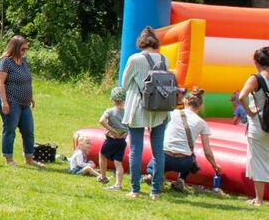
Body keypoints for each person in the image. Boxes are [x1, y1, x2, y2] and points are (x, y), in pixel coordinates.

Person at [120, 26, 172, 200]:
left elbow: (125, 84)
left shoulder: (135, 59)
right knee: (158, 151)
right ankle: (155, 191)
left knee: (136, 149)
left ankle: (135, 190)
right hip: (160, 108)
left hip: (138, 106)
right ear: (155, 42)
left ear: (140, 42)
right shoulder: (164, 59)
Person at [158, 88, 220, 194]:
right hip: (183, 162)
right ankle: (181, 180)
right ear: (200, 106)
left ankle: (156, 176)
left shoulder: (173, 113)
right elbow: (207, 152)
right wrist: (215, 165)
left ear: (186, 102)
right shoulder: (202, 123)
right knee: (191, 155)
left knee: (160, 157)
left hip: (165, 158)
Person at [0, 35, 37, 166]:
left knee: (28, 130)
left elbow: (26, 80)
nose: (25, 52)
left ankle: (29, 159)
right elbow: (0, 82)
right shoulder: (5, 62)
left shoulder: (23, 62)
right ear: (15, 48)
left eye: (26, 49)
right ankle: (9, 159)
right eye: (23, 49)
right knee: (10, 129)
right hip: (10, 101)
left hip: (24, 102)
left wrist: (31, 97)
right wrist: (4, 102)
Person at [235, 46, 269, 206]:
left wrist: (250, 112)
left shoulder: (255, 78)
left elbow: (241, 96)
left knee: (259, 161)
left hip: (260, 124)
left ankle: (259, 199)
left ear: (256, 62)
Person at [89, 86, 129, 189]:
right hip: (122, 141)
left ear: (112, 99)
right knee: (118, 163)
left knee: (102, 155)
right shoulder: (127, 112)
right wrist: (126, 132)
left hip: (111, 140)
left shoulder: (111, 111)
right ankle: (118, 184)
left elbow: (101, 120)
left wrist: (111, 130)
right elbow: (131, 125)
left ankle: (103, 176)